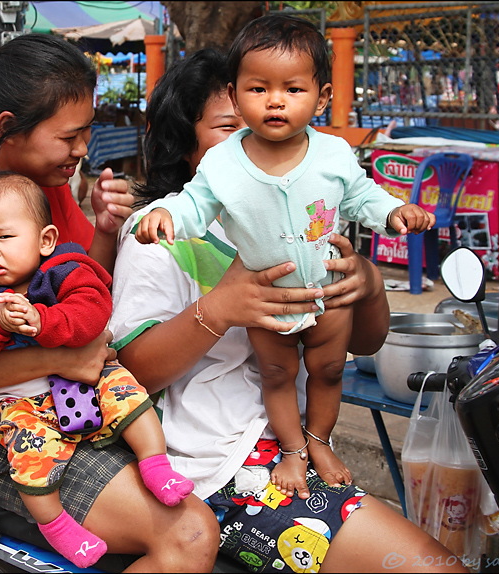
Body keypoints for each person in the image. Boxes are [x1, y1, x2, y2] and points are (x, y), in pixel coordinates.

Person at [109, 46, 464, 572]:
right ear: (187, 146)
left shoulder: (306, 216)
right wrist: (220, 309)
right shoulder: (160, 236)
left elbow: (364, 343)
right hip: (222, 467)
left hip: (295, 447)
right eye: (232, 125)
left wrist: (367, 285)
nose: (255, 139)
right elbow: (134, 370)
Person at [0, 33, 218, 572]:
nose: (82, 151)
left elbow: (74, 280)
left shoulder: (41, 186)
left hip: (70, 402)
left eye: (86, 133)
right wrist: (59, 359)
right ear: (6, 128)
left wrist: (105, 231)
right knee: (188, 534)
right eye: (69, 136)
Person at [135, 15, 435, 498]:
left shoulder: (334, 155)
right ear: (236, 95)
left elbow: (363, 196)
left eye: (292, 89)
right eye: (258, 89)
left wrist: (397, 212)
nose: (275, 100)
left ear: (322, 98)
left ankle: (319, 442)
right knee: (277, 374)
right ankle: (294, 450)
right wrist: (164, 217)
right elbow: (193, 203)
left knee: (330, 370)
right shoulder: (223, 163)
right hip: (268, 303)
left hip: (327, 295)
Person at [0, 171, 193, 567]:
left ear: (45, 240)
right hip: (20, 400)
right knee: (29, 459)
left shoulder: (63, 268)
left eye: (4, 237)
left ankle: (155, 464)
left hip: (84, 379)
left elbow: (94, 307)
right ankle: (56, 526)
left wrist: (45, 322)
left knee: (130, 398)